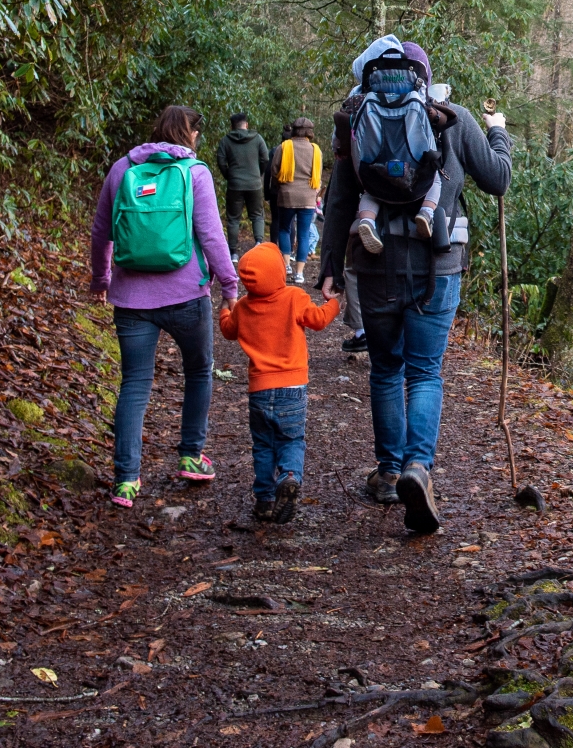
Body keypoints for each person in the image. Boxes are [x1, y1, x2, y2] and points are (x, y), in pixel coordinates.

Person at [320, 36, 510, 533]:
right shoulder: (454, 117)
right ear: (425, 78)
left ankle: (387, 473)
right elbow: (498, 179)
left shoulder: (355, 117)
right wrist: (498, 134)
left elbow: (340, 198)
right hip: (437, 265)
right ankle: (417, 467)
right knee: (424, 372)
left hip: (375, 261)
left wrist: (330, 268)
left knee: (385, 370)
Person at [89, 105, 239, 509]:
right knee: (199, 372)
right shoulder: (195, 173)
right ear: (189, 134)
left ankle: (125, 480)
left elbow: (102, 232)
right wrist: (229, 284)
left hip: (130, 299)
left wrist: (101, 280)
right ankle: (191, 455)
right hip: (187, 294)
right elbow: (210, 235)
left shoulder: (122, 169)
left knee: (134, 384)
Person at [218, 241, 340, 523]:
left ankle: (264, 500)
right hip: (292, 389)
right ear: (278, 272)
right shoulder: (294, 297)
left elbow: (227, 331)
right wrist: (335, 303)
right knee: (291, 439)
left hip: (259, 391)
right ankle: (289, 476)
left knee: (263, 445)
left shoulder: (244, 308)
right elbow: (319, 320)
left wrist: (226, 308)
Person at [272, 118, 322, 284]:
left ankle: (286, 266)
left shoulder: (284, 147)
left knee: (285, 229)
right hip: (308, 197)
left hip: (287, 195)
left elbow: (274, 170)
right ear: (309, 131)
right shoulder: (315, 150)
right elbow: (319, 176)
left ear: (293, 130)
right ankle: (299, 273)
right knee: (303, 234)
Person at [213, 112, 271, 253]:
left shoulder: (226, 140)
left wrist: (229, 175)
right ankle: (258, 243)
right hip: (254, 183)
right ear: (246, 124)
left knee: (233, 218)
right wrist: (259, 173)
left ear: (232, 126)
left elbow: (221, 160)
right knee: (257, 215)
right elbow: (265, 159)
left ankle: (233, 252)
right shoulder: (257, 139)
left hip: (235, 184)